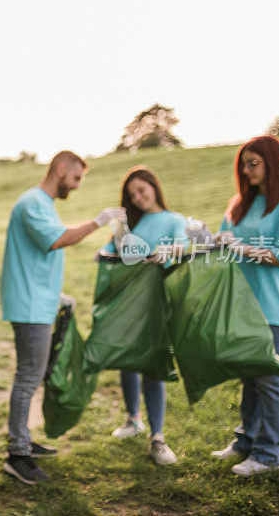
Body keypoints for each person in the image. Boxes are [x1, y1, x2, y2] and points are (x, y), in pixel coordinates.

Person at [0, 150, 126, 484]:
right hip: (29, 307)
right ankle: (16, 454)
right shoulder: (32, 203)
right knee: (28, 376)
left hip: (39, 302)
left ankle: (23, 440)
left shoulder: (44, 205)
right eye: (76, 177)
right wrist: (99, 221)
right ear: (59, 169)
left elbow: (38, 255)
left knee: (34, 373)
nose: (78, 185)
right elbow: (58, 240)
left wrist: (58, 297)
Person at [211, 135, 279, 476]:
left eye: (254, 163)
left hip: (270, 306)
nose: (246, 170)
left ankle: (267, 456)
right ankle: (245, 442)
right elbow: (224, 244)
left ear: (273, 164)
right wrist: (209, 241)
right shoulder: (239, 203)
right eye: (243, 163)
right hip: (240, 303)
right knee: (249, 376)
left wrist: (239, 246)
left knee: (268, 378)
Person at [103, 166, 188, 466]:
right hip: (129, 303)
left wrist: (168, 250)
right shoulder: (130, 225)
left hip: (158, 303)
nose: (138, 198)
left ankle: (158, 436)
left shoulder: (174, 220)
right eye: (132, 194)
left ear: (154, 186)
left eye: (142, 190)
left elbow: (184, 244)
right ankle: (133, 419)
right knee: (128, 361)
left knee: (152, 365)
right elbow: (109, 251)